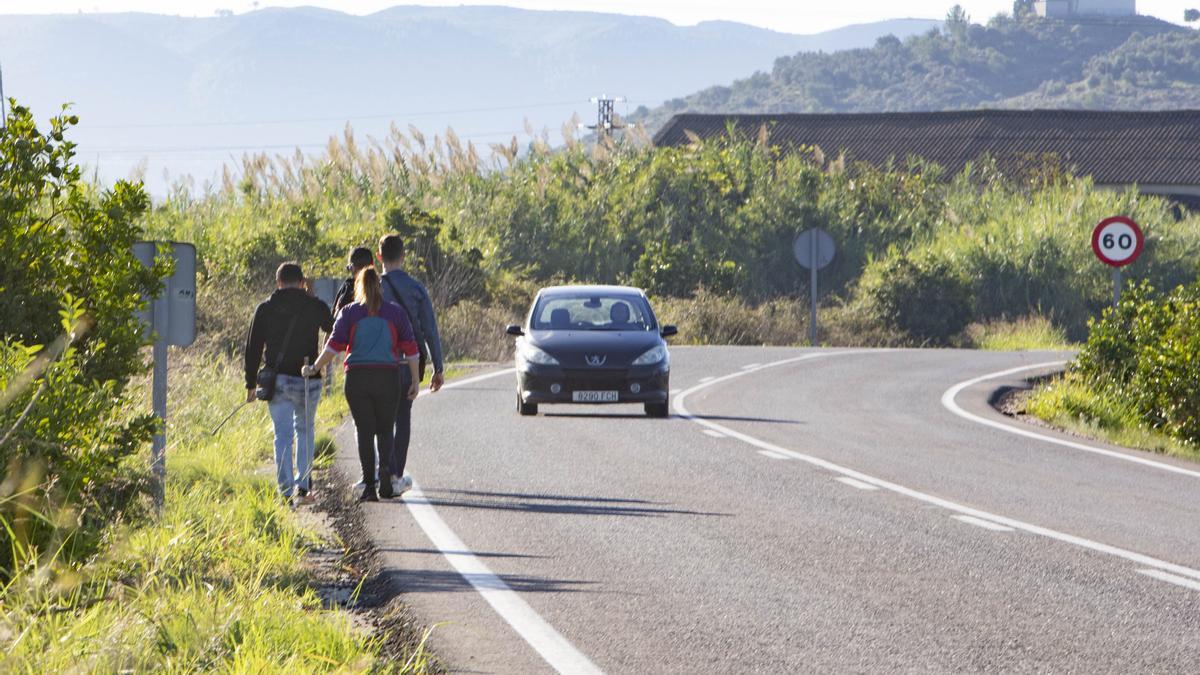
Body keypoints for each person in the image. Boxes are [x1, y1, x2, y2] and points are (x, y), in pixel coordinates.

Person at [305, 267, 420, 502]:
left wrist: (314, 367)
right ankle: (386, 474)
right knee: (386, 429)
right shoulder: (395, 313)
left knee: (365, 431)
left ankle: (369, 486)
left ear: (358, 286)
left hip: (357, 378)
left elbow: (334, 346)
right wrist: (416, 380)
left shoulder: (349, 313)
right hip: (388, 377)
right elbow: (411, 350)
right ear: (380, 286)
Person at [244, 262, 334, 504]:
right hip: (308, 377)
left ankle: (285, 491)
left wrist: (250, 383)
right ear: (303, 282)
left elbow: (252, 348)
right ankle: (304, 488)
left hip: (278, 379)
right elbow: (333, 328)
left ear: (278, 282)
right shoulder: (314, 305)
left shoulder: (265, 308)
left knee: (282, 434)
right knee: (305, 430)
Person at [377, 234, 446, 497]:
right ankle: (395, 474)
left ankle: (381, 469)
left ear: (379, 256)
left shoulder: (373, 287)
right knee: (402, 416)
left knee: (380, 419)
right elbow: (430, 330)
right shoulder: (417, 289)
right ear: (403, 256)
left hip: (378, 363)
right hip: (410, 363)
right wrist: (438, 368)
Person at [333, 246, 374, 315]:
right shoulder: (381, 288)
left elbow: (335, 321)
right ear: (372, 265)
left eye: (349, 267)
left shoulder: (347, 290)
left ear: (352, 268)